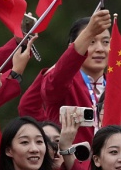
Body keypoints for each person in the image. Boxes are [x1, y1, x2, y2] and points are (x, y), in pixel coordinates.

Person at [37, 10, 116, 143]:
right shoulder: (62, 84)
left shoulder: (118, 87)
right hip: (70, 162)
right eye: (91, 42)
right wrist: (89, 31)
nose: (100, 49)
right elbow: (55, 81)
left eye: (106, 42)